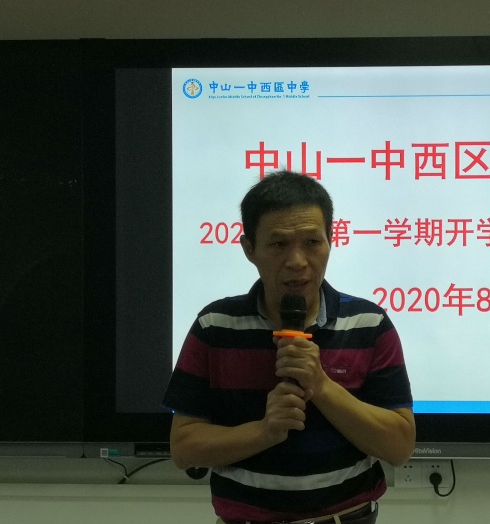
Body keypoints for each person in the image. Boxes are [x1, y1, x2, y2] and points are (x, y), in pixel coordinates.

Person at [163, 170, 415, 524]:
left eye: (312, 242)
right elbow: (184, 448)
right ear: (249, 249)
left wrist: (322, 386)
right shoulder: (215, 326)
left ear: (331, 241)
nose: (297, 261)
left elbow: (399, 447)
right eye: (279, 244)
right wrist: (264, 432)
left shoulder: (369, 324)